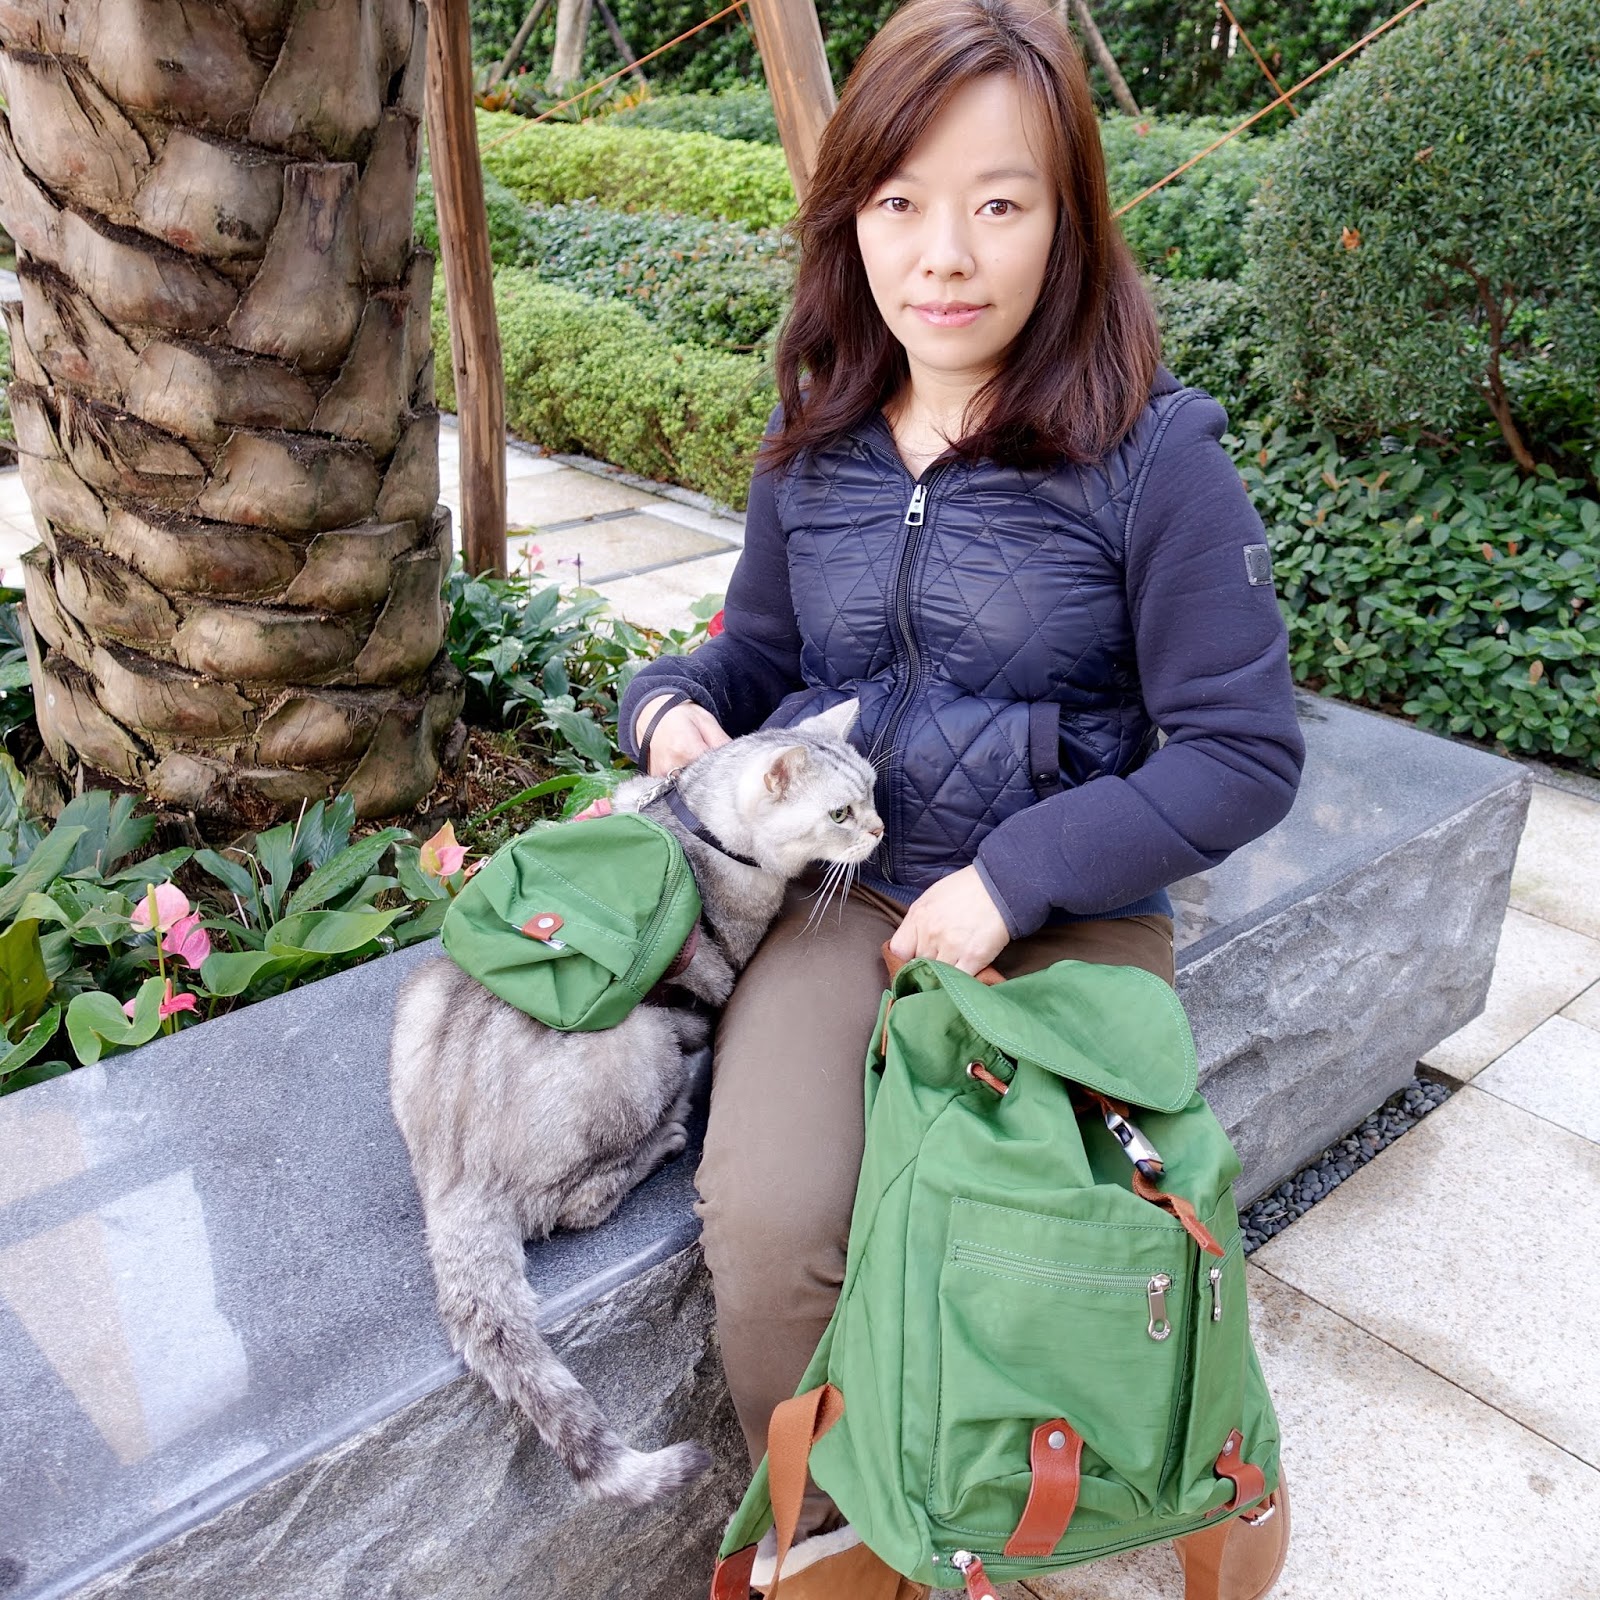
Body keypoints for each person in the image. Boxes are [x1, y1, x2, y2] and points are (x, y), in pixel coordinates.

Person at [619, 2, 1304, 1594]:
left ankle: (1204, 1465)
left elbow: (1242, 750)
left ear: (1068, 220)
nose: (943, 255)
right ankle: (857, 1540)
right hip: (844, 891)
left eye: (999, 202)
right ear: (850, 214)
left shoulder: (1155, 460)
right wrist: (666, 706)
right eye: (899, 201)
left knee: (1053, 1226)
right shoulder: (818, 440)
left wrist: (1014, 879)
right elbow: (758, 658)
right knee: (774, 1229)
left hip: (1063, 908)